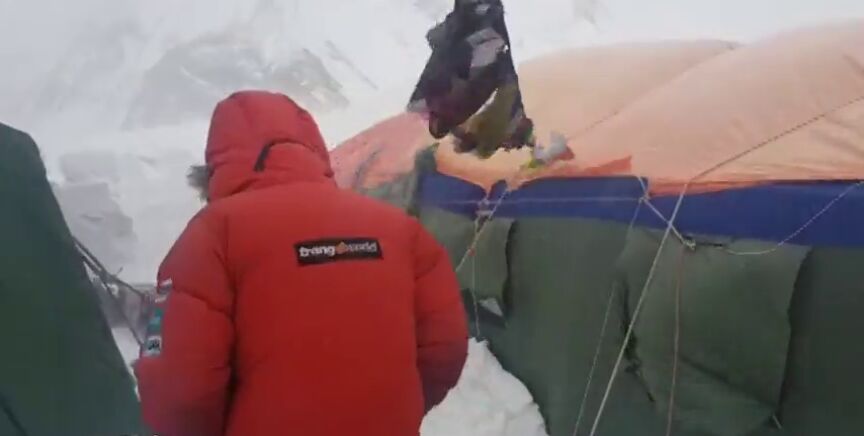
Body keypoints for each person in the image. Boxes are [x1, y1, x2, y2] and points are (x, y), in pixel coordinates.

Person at [134, 90, 469, 436]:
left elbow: (178, 389)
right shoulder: (400, 230)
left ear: (212, 172)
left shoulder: (212, 235)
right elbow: (446, 350)